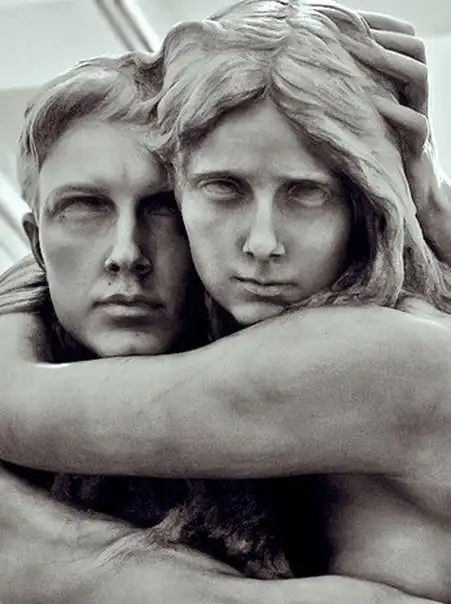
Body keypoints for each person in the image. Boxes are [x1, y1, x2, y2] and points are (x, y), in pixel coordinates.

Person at [1, 2, 451, 602]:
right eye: (223, 188)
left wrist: (28, 545)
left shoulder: (368, 353)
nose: (261, 242)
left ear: (362, 200)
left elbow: (17, 406)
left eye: (306, 192)